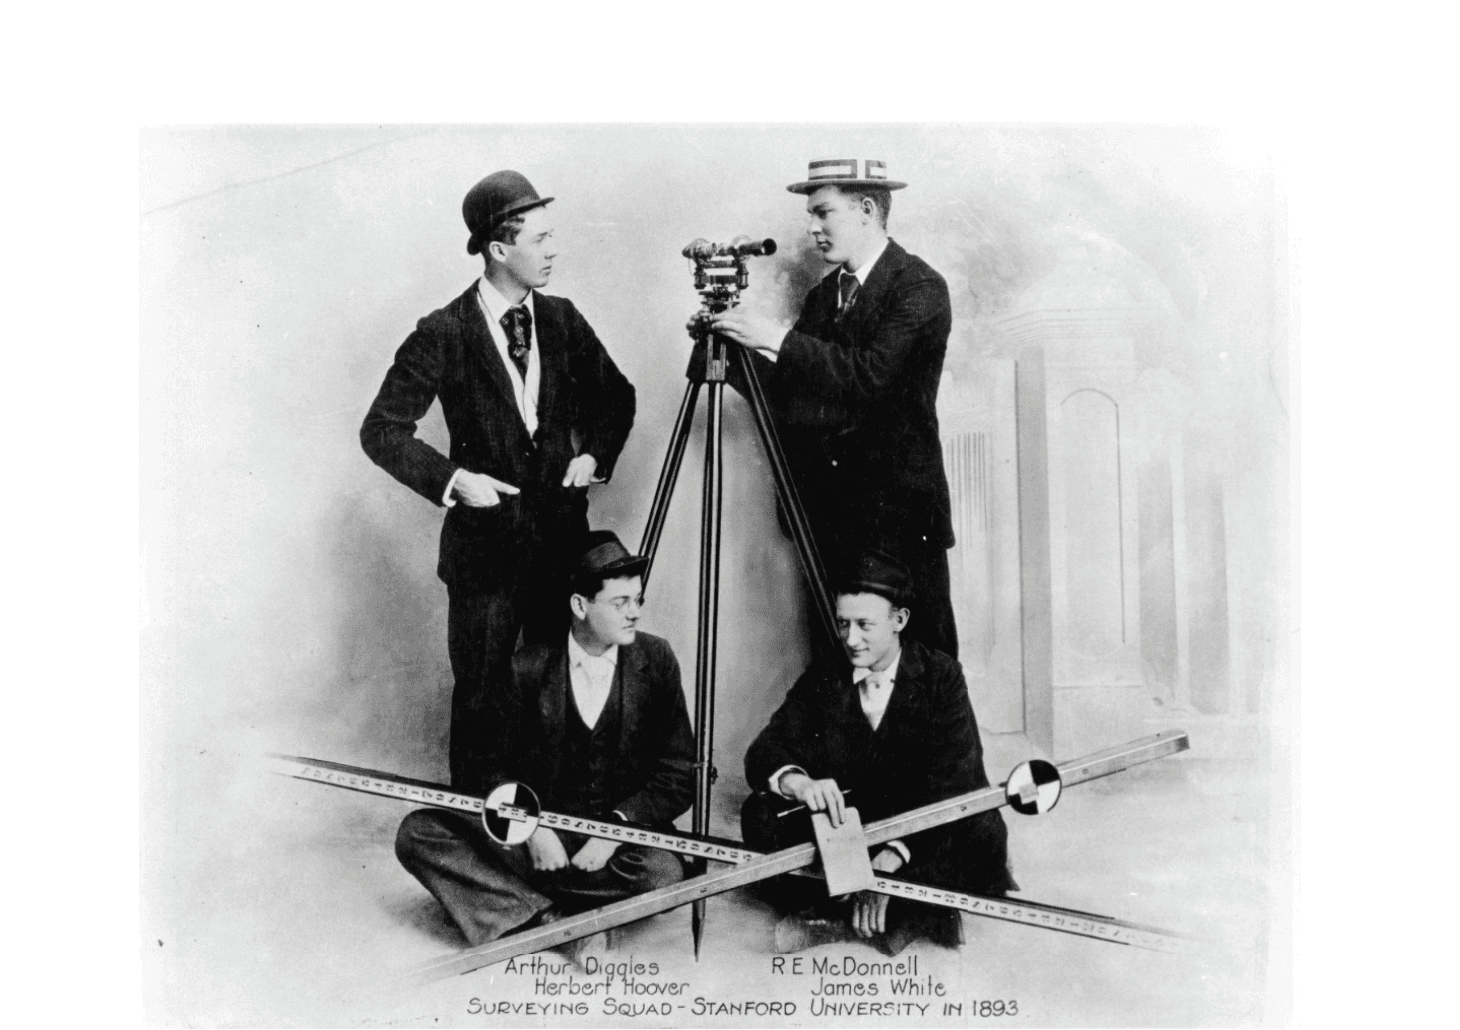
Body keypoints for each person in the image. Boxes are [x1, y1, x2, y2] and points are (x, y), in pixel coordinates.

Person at [360, 171, 636, 786]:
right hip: (485, 553)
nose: (553, 250)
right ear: (498, 250)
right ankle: (483, 839)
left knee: (554, 688)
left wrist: (593, 455)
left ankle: (549, 828)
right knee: (485, 694)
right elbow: (381, 430)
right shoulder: (444, 330)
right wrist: (456, 479)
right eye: (539, 240)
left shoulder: (563, 320)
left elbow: (617, 397)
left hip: (562, 549)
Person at [706, 158, 959, 659]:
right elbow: (794, 395)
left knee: (921, 667)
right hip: (829, 518)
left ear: (867, 209)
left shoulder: (919, 287)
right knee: (840, 664)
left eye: (823, 212)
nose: (812, 227)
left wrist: (773, 335)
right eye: (810, 214)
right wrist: (729, 348)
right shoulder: (825, 296)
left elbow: (867, 379)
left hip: (899, 522)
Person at [395, 532, 693, 956]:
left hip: (616, 849)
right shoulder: (527, 667)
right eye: (621, 603)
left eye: (638, 600)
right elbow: (487, 767)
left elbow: (678, 772)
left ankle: (516, 906)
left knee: (665, 873)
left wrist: (615, 829)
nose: (635, 614)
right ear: (579, 606)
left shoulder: (657, 660)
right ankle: (559, 923)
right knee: (418, 835)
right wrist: (531, 827)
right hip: (538, 841)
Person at [741, 551, 1015, 955]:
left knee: (979, 828)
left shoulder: (941, 676)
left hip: (921, 826)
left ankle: (850, 912)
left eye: (864, 625)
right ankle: (888, 911)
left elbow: (957, 781)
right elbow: (765, 750)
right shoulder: (826, 673)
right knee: (759, 815)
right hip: (857, 826)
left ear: (899, 621)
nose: (851, 639)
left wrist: (893, 858)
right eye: (843, 624)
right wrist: (799, 782)